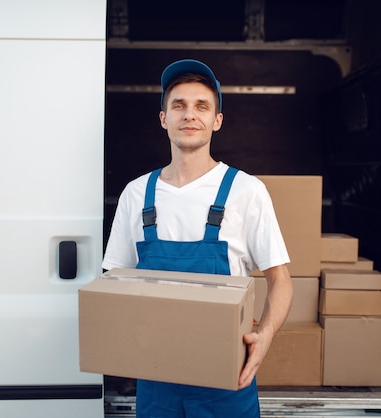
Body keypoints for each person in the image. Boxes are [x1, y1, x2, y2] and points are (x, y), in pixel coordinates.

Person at [102, 59, 293, 417]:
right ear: (163, 119)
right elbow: (115, 280)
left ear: (216, 121)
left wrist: (264, 337)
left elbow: (280, 279)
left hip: (227, 378)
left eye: (201, 106)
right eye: (179, 105)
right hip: (156, 379)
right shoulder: (137, 194)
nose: (190, 115)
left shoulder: (246, 191)